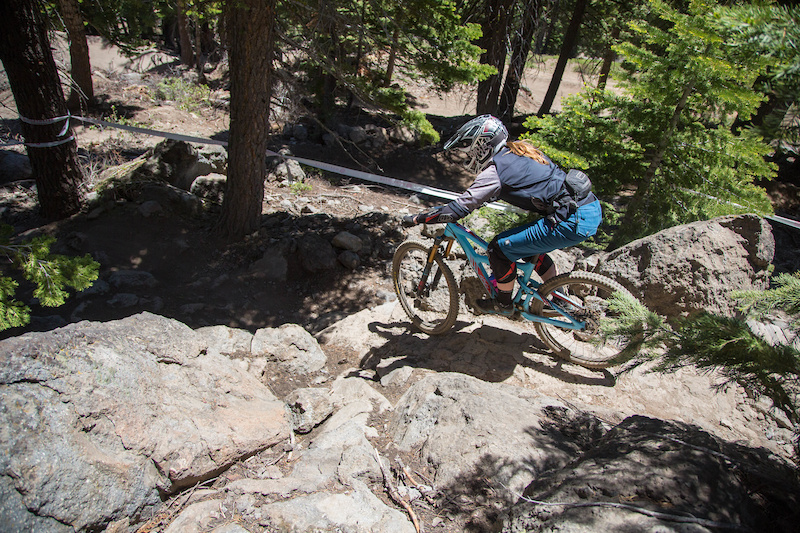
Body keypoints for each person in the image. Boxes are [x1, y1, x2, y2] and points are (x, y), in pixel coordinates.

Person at [402, 114, 602, 317]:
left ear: (481, 146)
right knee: (527, 249)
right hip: (587, 209)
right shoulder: (522, 152)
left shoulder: (496, 170)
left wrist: (419, 218)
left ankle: (503, 303)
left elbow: (458, 209)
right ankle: (560, 299)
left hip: (570, 220)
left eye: (468, 151)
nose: (468, 157)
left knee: (498, 248)